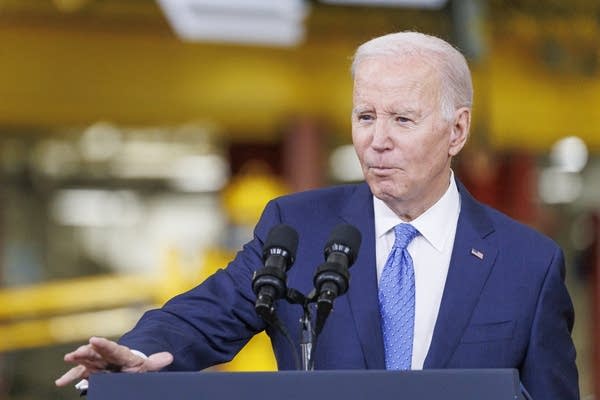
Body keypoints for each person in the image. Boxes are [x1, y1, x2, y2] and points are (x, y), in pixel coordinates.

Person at [56, 31, 579, 399]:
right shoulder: (298, 230)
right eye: (365, 116)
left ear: (458, 132)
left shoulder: (527, 264)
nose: (377, 141)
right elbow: (203, 313)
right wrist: (138, 352)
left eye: (402, 119)